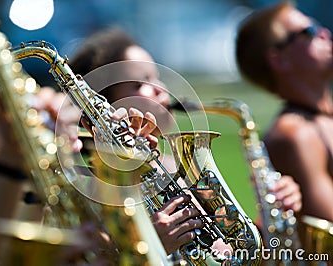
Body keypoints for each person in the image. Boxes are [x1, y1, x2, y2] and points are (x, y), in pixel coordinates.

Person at [69, 28, 303, 255]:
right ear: (102, 109)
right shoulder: (92, 187)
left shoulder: (175, 165)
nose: (161, 89)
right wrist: (151, 246)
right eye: (140, 84)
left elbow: (230, 253)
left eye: (157, 78)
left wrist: (271, 215)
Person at [235, 1, 332, 224]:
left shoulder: (320, 119)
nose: (325, 33)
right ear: (279, 59)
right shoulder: (294, 134)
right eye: (309, 32)